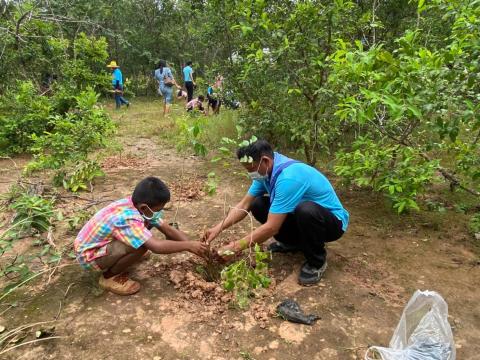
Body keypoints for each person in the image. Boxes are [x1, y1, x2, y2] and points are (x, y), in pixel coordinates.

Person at [204, 140, 349, 285]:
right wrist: (217, 229)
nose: (250, 173)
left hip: (331, 224)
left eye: (251, 169)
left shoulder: (288, 177)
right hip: (301, 219)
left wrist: (235, 247)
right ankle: (293, 243)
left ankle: (317, 262)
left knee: (306, 210)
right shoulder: (265, 171)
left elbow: (272, 227)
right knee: (258, 204)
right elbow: (244, 204)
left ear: (265, 161)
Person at [74, 177, 208, 295]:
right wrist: (188, 246)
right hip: (89, 256)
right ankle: (109, 277)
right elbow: (157, 247)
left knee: (145, 231)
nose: (159, 213)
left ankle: (120, 258)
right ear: (144, 207)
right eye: (158, 210)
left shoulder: (138, 205)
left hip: (99, 245)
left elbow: (167, 229)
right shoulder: (128, 218)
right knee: (142, 246)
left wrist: (196, 247)